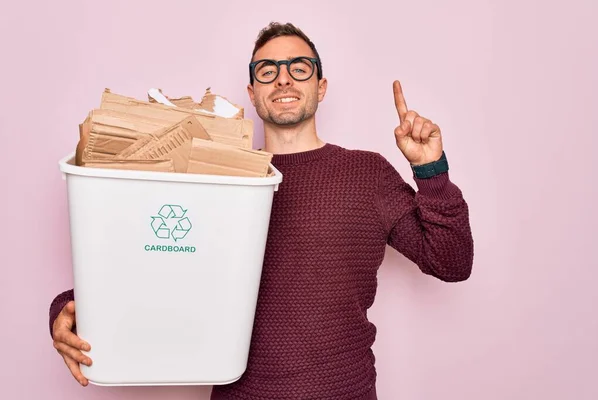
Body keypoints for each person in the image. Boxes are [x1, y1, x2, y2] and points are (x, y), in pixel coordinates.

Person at [49, 22, 474, 400]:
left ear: (321, 86)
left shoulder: (367, 174)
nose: (283, 79)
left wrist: (430, 169)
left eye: (299, 67)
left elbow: (451, 262)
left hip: (345, 391)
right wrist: (68, 307)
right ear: (252, 93)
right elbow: (153, 264)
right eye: (267, 71)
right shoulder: (216, 177)